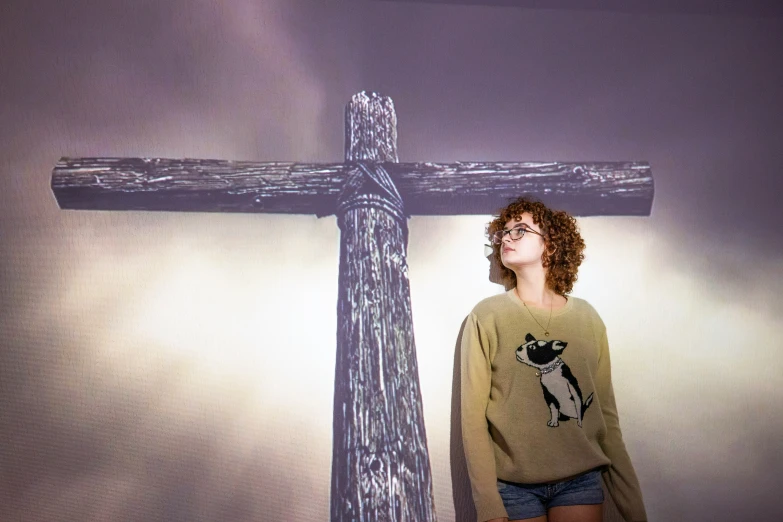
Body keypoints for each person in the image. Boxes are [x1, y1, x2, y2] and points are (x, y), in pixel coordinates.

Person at [460, 196, 647, 522]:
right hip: (513, 487)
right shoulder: (486, 316)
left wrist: (634, 509)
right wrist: (488, 507)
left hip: (581, 479)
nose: (506, 238)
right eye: (503, 232)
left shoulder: (588, 319)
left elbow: (606, 419)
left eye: (520, 230)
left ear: (550, 244)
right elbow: (472, 420)